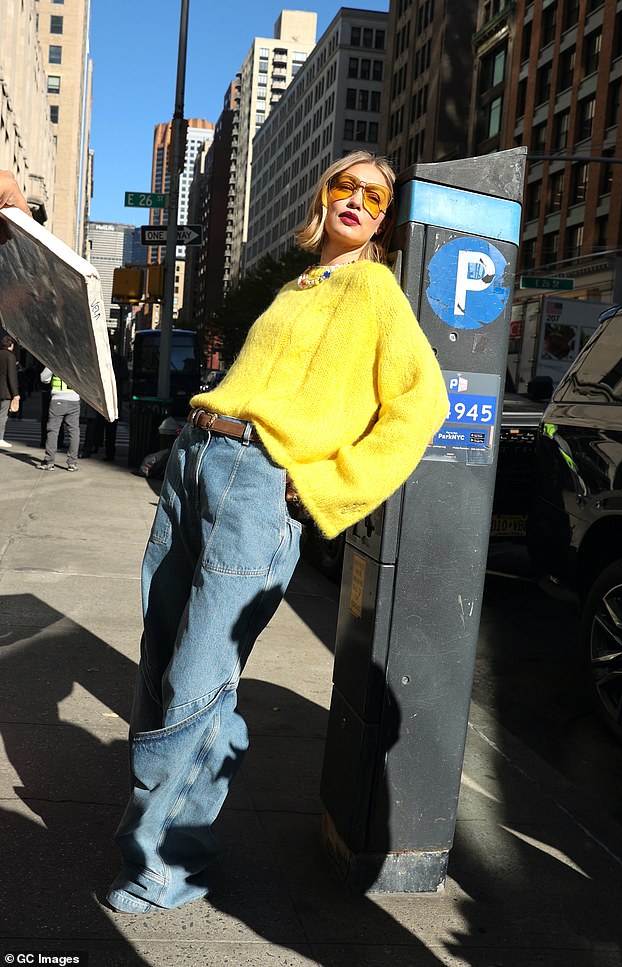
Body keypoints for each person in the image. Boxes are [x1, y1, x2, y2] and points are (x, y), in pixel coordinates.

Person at [1, 158, 450, 913]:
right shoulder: (297, 287)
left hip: (256, 482)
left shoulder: (374, 290)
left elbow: (422, 402)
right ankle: (183, 851)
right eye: (347, 186)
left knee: (198, 677)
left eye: (375, 197)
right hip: (197, 460)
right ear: (325, 195)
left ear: (382, 220)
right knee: (163, 658)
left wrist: (322, 486)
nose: (357, 201)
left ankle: (166, 862)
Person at [39, 368, 81, 471]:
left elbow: (44, 378)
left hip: (58, 399)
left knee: (53, 430)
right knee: (74, 431)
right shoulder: (78, 362)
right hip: (75, 400)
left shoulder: (55, 361)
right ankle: (72, 463)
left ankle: (49, 461)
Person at [0, 334, 20, 448]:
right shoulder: (10, 357)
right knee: (2, 415)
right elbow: (12, 376)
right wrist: (15, 394)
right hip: (5, 391)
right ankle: (0, 438)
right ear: (11, 345)